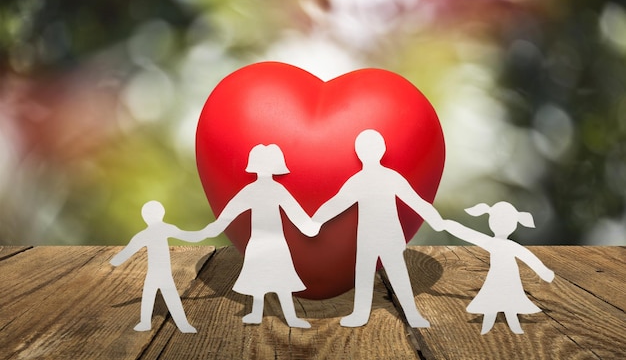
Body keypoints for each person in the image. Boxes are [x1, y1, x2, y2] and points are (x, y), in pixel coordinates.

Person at [312, 129, 445, 327]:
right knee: (369, 273)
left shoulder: (376, 179)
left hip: (383, 236)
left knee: (389, 272)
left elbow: (336, 203)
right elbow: (338, 203)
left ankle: (409, 313)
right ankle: (364, 314)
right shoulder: (379, 178)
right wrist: (316, 221)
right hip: (369, 237)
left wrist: (314, 221)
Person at [201, 144, 319, 328]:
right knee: (260, 278)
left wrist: (308, 226)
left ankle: (288, 316)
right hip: (261, 242)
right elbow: (231, 212)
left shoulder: (268, 190)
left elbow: (293, 211)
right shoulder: (260, 190)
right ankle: (260, 313)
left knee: (280, 278)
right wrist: (308, 227)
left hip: (273, 242)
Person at [441, 201, 555, 334]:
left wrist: (543, 271)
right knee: (493, 300)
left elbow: (527, 256)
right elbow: (468, 234)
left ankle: (513, 326)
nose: (502, 224)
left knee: (509, 301)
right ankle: (489, 327)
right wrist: (449, 225)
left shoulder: (506, 245)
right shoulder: (493, 243)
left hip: (510, 278)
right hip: (497, 277)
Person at [110, 200, 205, 333]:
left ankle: (176, 324)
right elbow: (189, 236)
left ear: (145, 216)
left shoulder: (147, 233)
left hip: (159, 272)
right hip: (157, 272)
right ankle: (175, 324)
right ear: (161, 213)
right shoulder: (162, 229)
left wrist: (113, 262)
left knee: (156, 295)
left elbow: (128, 251)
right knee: (156, 295)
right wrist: (205, 233)